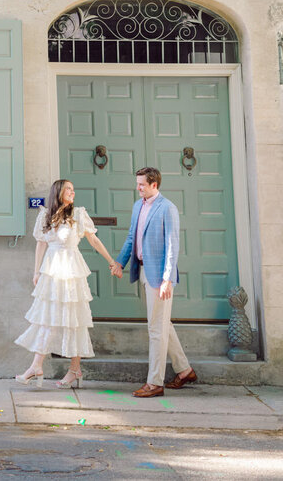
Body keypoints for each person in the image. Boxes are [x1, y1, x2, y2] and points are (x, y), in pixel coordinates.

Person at [15, 179, 118, 389]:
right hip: (51, 272)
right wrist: (36, 272)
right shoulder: (45, 214)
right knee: (47, 318)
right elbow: (41, 245)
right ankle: (36, 365)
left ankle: (74, 370)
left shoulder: (79, 214)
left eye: (73, 188)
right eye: (68, 189)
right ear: (58, 192)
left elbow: (94, 240)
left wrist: (111, 261)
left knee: (74, 320)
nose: (72, 192)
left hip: (71, 271)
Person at [112, 166, 197, 398]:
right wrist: (120, 262)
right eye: (137, 183)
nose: (137, 188)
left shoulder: (167, 208)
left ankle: (155, 383)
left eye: (141, 184)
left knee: (156, 328)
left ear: (154, 185)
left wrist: (167, 279)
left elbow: (172, 245)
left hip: (160, 278)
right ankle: (185, 371)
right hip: (143, 272)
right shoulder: (138, 206)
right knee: (162, 324)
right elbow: (132, 237)